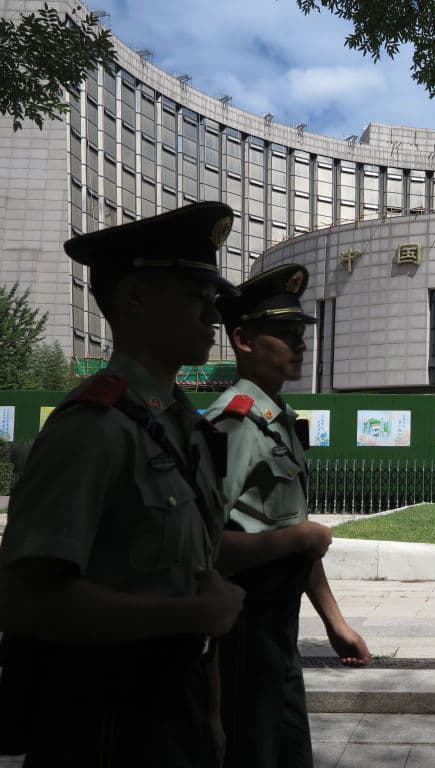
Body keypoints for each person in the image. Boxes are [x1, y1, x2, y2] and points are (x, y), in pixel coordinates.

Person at [0, 201, 247, 767]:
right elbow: (22, 601)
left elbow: (194, 576)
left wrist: (209, 715)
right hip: (102, 725)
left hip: (174, 711)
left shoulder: (180, 425)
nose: (213, 313)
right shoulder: (93, 427)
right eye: (197, 296)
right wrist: (191, 618)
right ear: (135, 298)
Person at [205, 264, 370, 768]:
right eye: (285, 334)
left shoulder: (279, 421)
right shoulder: (232, 424)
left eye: (301, 334)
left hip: (279, 630)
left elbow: (293, 531)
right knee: (254, 751)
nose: (300, 345)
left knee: (290, 750)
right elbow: (201, 543)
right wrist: (294, 539)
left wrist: (335, 623)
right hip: (242, 629)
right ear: (243, 340)